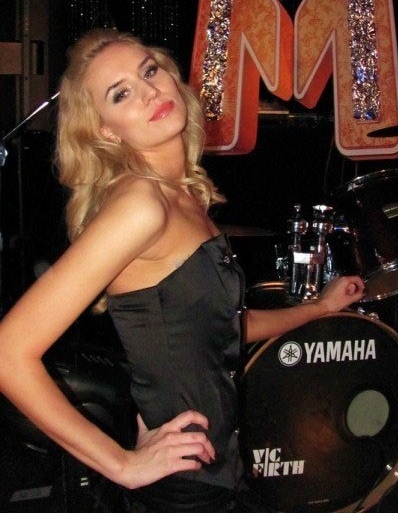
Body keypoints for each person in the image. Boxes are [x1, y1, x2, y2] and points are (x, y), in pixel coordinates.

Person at [0, 28, 365, 511]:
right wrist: (121, 464)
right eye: (121, 94)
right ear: (107, 131)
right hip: (187, 488)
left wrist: (318, 308)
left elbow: (223, 328)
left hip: (221, 464)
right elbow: (8, 353)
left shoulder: (183, 195)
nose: (150, 92)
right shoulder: (141, 204)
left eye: (149, 71)